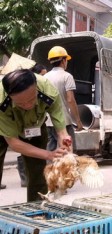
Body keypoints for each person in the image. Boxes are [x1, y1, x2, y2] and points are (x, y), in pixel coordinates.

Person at [0, 69, 71, 201]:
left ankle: (37, 210)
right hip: (3, 129)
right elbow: (13, 143)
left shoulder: (49, 93)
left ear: (37, 88)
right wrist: (48, 154)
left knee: (38, 171)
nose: (27, 105)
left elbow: (62, 131)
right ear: (10, 97)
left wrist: (65, 141)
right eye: (20, 103)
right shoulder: (1, 101)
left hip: (35, 126)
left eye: (31, 99)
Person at [44, 46, 83, 153]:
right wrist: (78, 121)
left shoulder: (45, 77)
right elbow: (70, 100)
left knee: (50, 152)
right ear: (63, 61)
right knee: (68, 152)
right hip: (64, 122)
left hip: (48, 122)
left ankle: (50, 170)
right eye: (66, 60)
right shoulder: (67, 76)